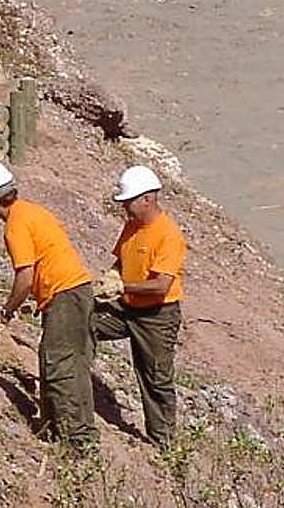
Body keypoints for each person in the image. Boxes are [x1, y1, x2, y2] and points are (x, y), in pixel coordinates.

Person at [0, 159, 98, 448]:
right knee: (63, 362)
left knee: (60, 366)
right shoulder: (32, 212)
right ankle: (56, 430)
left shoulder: (15, 225)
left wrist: (5, 314)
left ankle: (76, 441)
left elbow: (24, 277)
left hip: (66, 295)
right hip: (73, 292)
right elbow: (45, 262)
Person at [93, 165, 187, 448]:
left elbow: (161, 285)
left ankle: (163, 442)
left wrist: (122, 286)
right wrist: (113, 274)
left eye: (129, 201)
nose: (125, 208)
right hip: (126, 307)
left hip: (156, 315)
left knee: (155, 379)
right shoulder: (132, 226)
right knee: (84, 321)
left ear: (148, 198)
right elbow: (121, 259)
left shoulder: (168, 235)